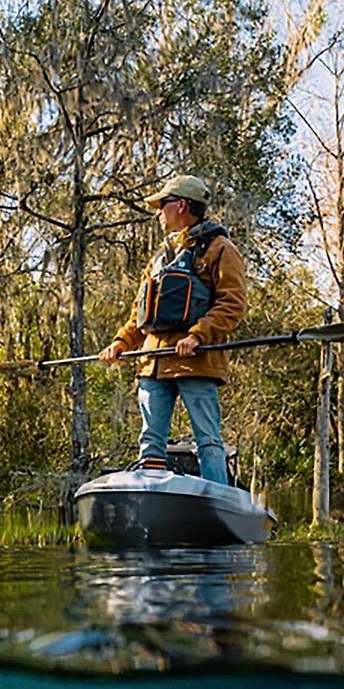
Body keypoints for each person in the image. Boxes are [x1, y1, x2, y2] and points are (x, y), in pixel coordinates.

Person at [99, 174, 247, 484]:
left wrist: (197, 336)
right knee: (150, 441)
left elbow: (232, 305)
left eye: (162, 205)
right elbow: (140, 313)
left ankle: (217, 500)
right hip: (153, 363)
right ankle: (152, 497)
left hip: (197, 363)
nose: (158, 213)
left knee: (207, 440)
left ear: (181, 205)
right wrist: (121, 343)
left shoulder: (221, 248)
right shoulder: (160, 256)